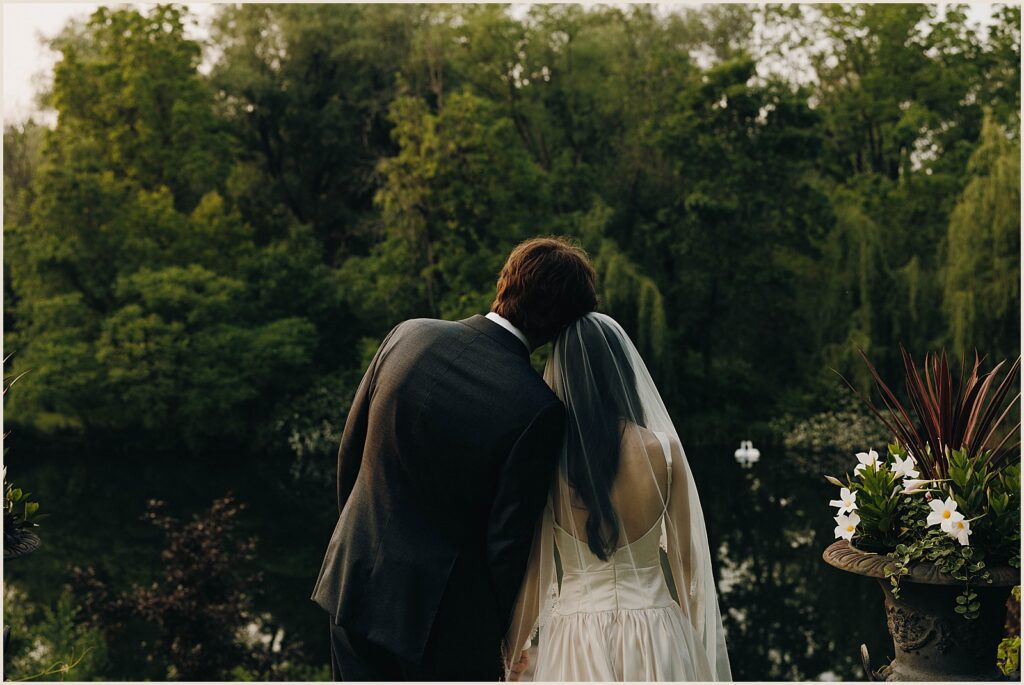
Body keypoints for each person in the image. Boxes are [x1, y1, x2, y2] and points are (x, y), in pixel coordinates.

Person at [311, 237, 598, 680]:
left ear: (506, 281)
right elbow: (506, 545)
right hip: (440, 627)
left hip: (354, 582)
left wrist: (355, 545)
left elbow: (350, 453)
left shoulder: (408, 334)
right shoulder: (537, 409)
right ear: (562, 323)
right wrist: (500, 639)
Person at [504, 312, 733, 682]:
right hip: (657, 632)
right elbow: (685, 564)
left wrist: (514, 653)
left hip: (577, 639)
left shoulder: (549, 464)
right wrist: (688, 639)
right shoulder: (665, 452)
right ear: (622, 372)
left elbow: (536, 572)